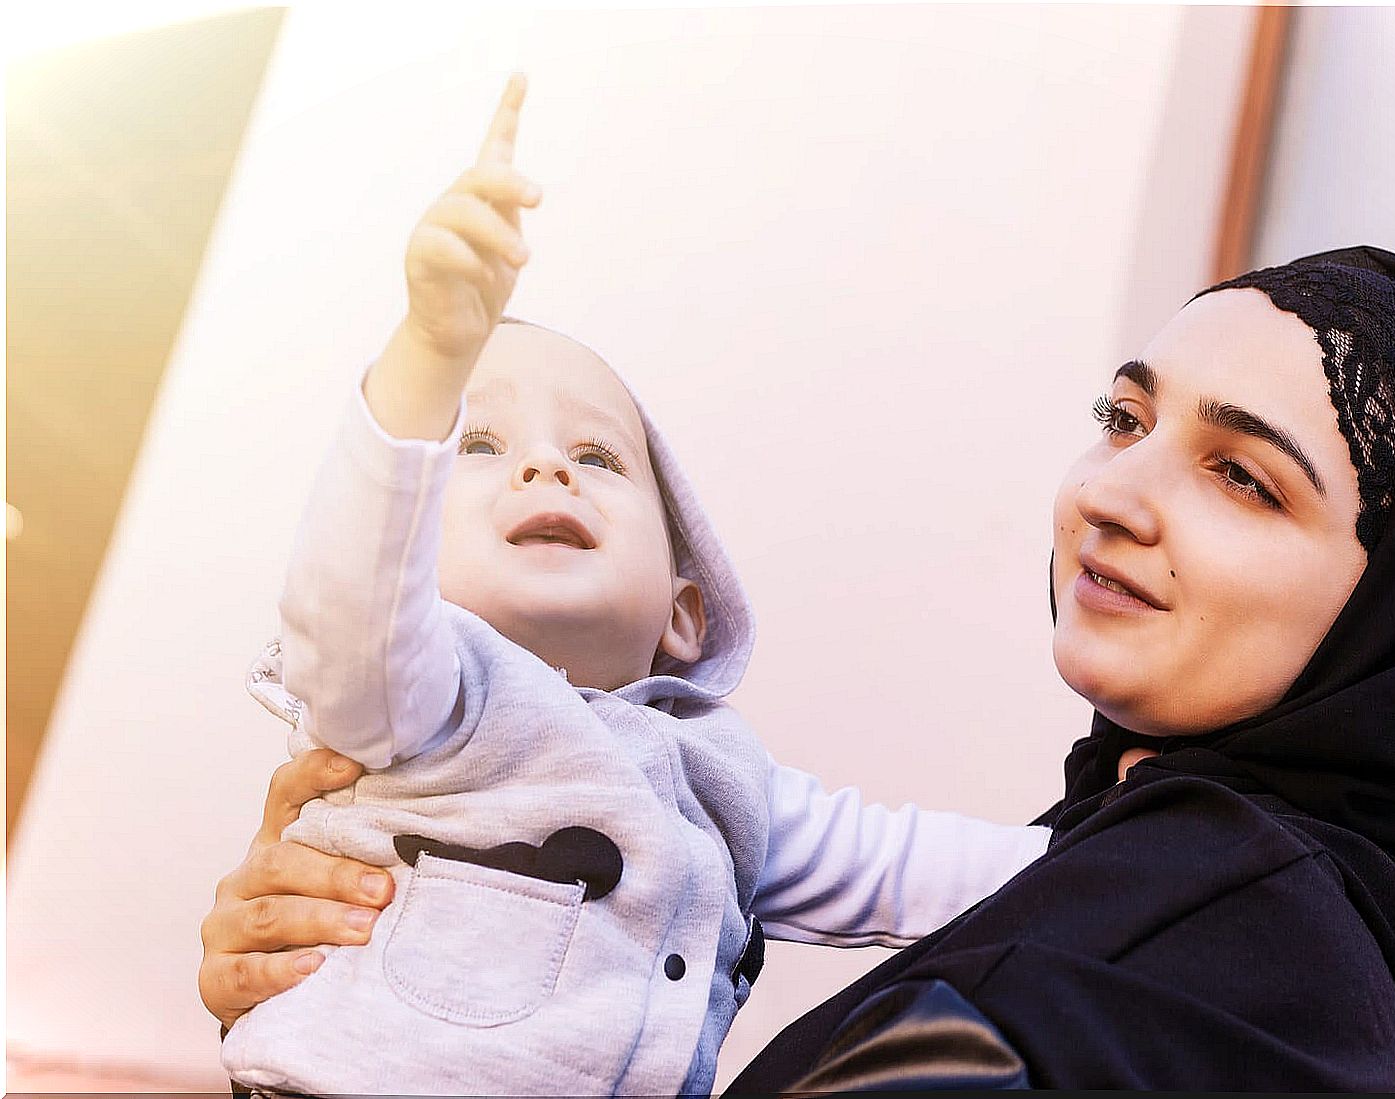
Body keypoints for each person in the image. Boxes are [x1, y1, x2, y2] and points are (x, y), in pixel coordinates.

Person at [200, 231, 1395, 1087]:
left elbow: (876, 861)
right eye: (1124, 415)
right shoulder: (1166, 880)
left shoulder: (1206, 950)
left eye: (1244, 476)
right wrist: (374, 966)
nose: (1115, 495)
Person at [217, 75, 1048, 1098]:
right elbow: (349, 598)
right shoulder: (419, 701)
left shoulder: (726, 780)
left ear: (683, 611)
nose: (545, 467)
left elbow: (907, 866)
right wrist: (431, 353)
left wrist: (1131, 854)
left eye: (598, 456)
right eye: (476, 444)